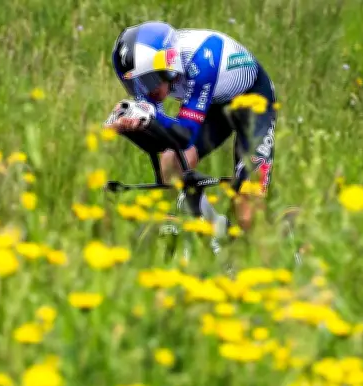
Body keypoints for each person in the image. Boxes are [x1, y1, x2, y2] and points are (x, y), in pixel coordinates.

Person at [104, 21, 277, 236]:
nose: (145, 92)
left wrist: (150, 115)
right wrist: (130, 127)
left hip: (254, 102)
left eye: (147, 82)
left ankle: (261, 253)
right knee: (171, 162)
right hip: (213, 103)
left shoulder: (202, 59)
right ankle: (207, 234)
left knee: (247, 210)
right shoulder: (160, 66)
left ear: (168, 66)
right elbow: (162, 143)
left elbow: (185, 135)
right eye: (135, 85)